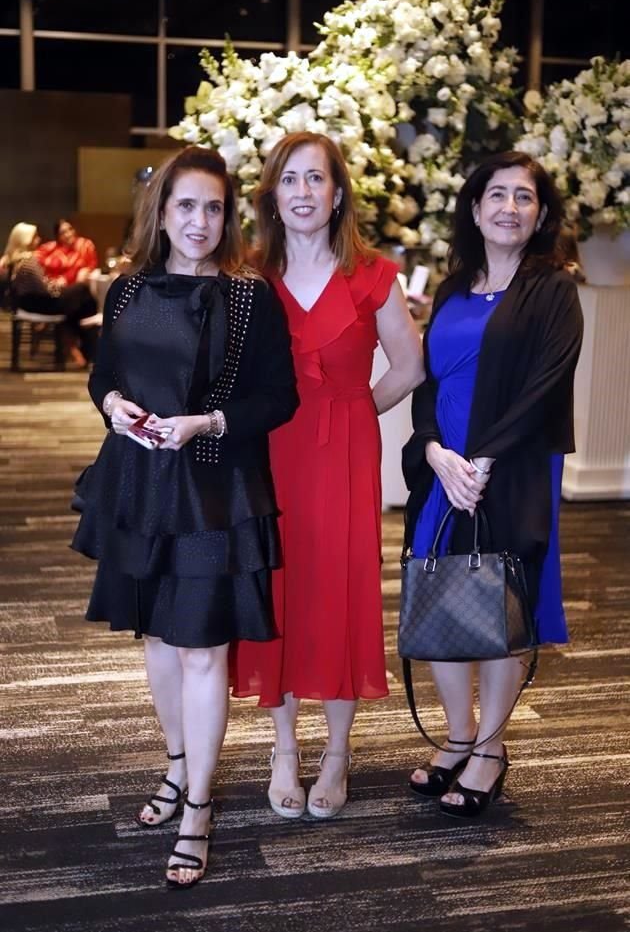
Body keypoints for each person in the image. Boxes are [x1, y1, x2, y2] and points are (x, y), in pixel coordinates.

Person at [71, 146, 298, 888]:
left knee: (202, 647)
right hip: (139, 484)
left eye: (214, 208)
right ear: (161, 212)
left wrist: (208, 423)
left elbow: (279, 398)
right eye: (187, 206)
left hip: (213, 488)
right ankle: (176, 766)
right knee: (160, 641)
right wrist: (112, 405)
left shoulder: (248, 298)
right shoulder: (128, 289)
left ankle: (198, 807)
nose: (201, 221)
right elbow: (104, 374)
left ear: (227, 217)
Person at [232, 132, 423, 819]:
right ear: (272, 195)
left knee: (342, 589)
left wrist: (354, 409)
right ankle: (284, 747)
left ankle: (337, 752)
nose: (303, 192)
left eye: (316, 178)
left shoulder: (373, 275)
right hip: (270, 450)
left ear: (338, 193)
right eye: (290, 179)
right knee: (278, 587)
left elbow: (409, 366)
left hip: (343, 452)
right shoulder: (250, 276)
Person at [402, 151, 583, 818]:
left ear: (540, 214)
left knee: (504, 600)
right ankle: (457, 737)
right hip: (445, 470)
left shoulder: (553, 289)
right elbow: (428, 381)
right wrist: (435, 451)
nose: (510, 207)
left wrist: (483, 461)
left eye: (524, 197)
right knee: (442, 594)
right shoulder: (451, 288)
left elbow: (546, 386)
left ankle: (490, 747)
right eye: (497, 195)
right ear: (475, 210)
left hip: (511, 468)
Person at [2, 221, 97, 365]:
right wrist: (58, 285)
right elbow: (46, 290)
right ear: (26, 240)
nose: (39, 240)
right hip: (39, 304)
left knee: (79, 304)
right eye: (35, 237)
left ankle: (77, 347)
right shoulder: (28, 261)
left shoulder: (16, 260)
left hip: (31, 301)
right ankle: (86, 347)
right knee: (82, 292)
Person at [37, 218, 98, 286]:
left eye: (70, 229)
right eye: (63, 233)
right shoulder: (52, 247)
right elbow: (36, 257)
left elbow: (91, 264)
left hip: (74, 284)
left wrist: (66, 278)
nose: (69, 234)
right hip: (53, 284)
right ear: (58, 236)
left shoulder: (85, 244)